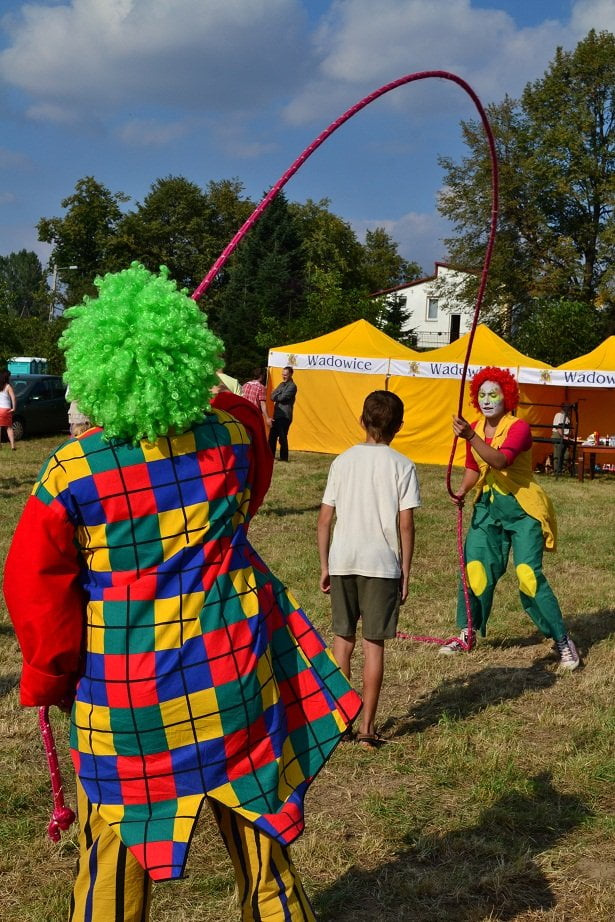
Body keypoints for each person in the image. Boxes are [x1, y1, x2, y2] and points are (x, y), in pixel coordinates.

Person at [3, 263, 361, 922]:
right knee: (263, 839)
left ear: (95, 365)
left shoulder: (69, 471)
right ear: (188, 355)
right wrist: (204, 386)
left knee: (110, 858)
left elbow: (36, 589)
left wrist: (50, 678)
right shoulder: (228, 441)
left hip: (124, 701)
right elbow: (243, 440)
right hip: (232, 682)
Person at [441, 366, 580, 671]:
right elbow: (475, 467)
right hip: (488, 510)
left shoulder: (518, 428)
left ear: (508, 397)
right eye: (482, 395)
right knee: (475, 570)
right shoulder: (476, 427)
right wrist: (463, 490)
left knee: (528, 577)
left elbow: (500, 460)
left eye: (494, 394)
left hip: (523, 510)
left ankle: (561, 640)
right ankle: (467, 632)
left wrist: (471, 435)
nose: (487, 399)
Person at [317, 391, 420, 749]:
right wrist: (405, 570)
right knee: (373, 648)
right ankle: (367, 730)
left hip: (343, 560)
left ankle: (338, 724)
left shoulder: (342, 462)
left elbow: (325, 519)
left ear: (361, 421)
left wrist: (325, 564)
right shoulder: (403, 465)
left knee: (341, 645)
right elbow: (405, 524)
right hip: (381, 566)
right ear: (400, 427)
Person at [268, 366, 297, 461]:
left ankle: (284, 458)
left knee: (282, 437)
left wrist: (277, 394)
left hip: (285, 415)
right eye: (282, 374)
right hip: (277, 415)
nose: (283, 376)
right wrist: (278, 394)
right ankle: (270, 456)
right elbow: (272, 397)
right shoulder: (281, 384)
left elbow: (281, 398)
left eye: (285, 375)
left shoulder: (292, 386)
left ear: (291, 374)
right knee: (272, 436)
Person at [551, 403, 572, 475]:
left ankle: (563, 469)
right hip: (558, 435)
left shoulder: (567, 417)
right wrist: (563, 436)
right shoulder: (559, 415)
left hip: (565, 436)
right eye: (567, 407)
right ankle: (557, 471)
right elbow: (558, 427)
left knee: (566, 454)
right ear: (563, 407)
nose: (569, 409)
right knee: (558, 453)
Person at [0, 369, 17, 450]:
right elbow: (13, 397)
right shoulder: (8, 386)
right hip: (6, 410)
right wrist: (14, 408)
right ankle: (13, 446)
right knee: (9, 428)